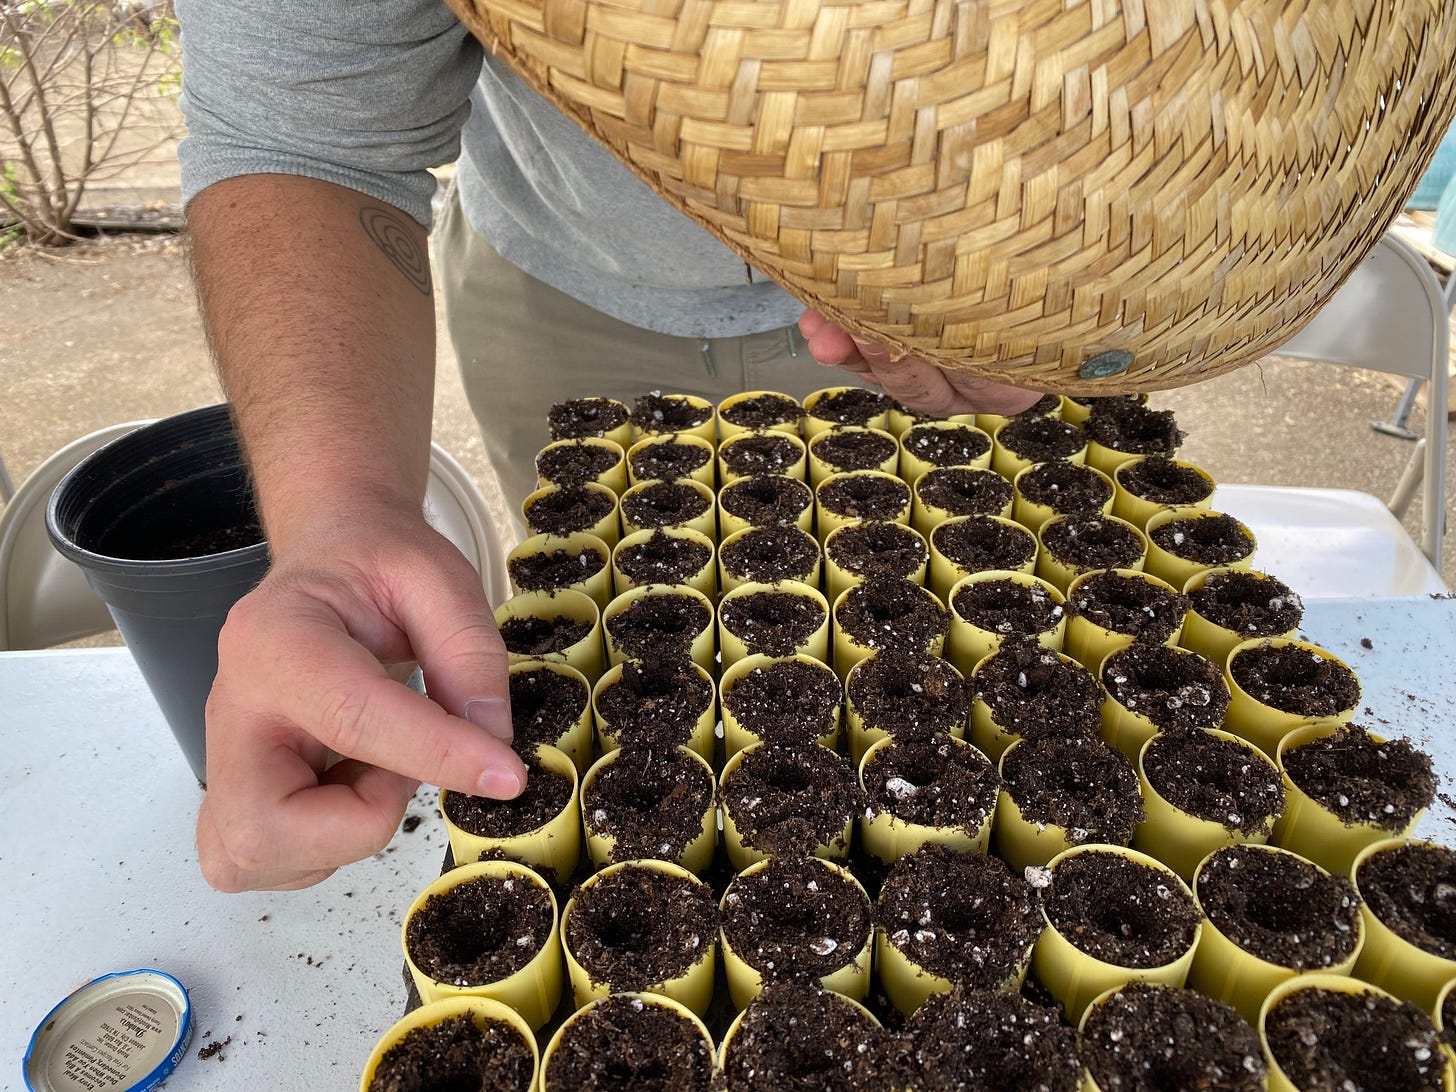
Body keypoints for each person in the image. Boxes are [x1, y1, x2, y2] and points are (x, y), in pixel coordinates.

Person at [173, 0, 1042, 892]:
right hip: (559, 278)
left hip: (950, 293)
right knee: (591, 621)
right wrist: (337, 512)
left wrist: (1086, 291)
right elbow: (300, 130)